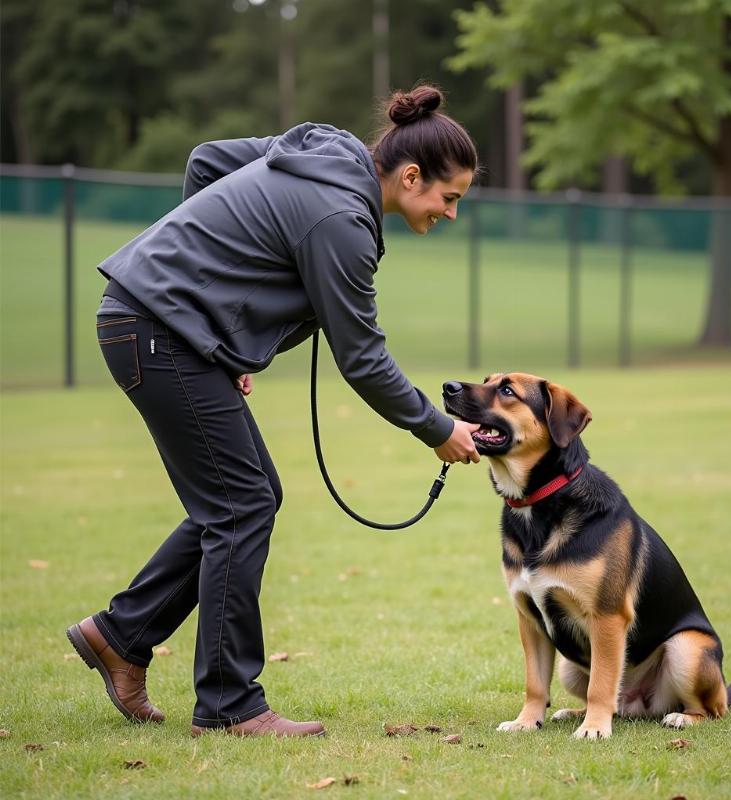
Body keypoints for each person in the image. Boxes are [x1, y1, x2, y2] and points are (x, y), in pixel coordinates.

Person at [67, 85, 481, 738]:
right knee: (240, 506)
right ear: (409, 176)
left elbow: (207, 161)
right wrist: (438, 429)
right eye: (448, 197)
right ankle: (230, 704)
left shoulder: (326, 150)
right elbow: (364, 360)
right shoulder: (342, 222)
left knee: (248, 498)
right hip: (156, 329)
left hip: (155, 323)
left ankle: (121, 635)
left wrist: (205, 299)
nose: (451, 213)